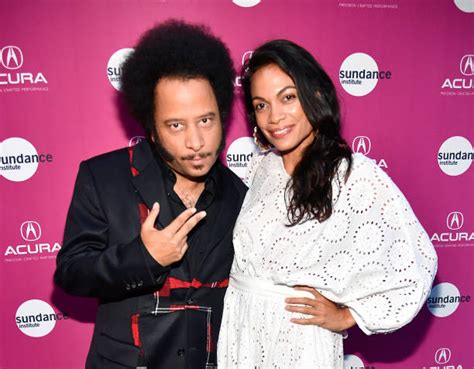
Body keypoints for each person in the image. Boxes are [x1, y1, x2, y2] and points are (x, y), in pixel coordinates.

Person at [217, 40, 438, 368]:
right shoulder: (260, 167)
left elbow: (415, 266)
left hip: (298, 339)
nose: (274, 117)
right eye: (261, 105)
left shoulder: (353, 174)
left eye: (288, 97)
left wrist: (349, 316)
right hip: (241, 329)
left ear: (316, 95)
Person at [54, 20, 247, 369]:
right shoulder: (105, 177)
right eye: (176, 125)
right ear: (152, 130)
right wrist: (144, 257)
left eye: (206, 120)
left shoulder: (241, 196)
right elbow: (71, 274)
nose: (196, 141)